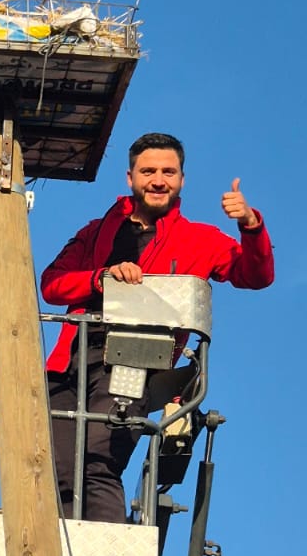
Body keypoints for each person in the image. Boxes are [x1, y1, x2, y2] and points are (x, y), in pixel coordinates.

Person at [41, 132, 274, 524]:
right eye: (148, 171)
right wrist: (102, 277)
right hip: (69, 362)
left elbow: (255, 275)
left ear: (182, 180)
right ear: (130, 177)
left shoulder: (201, 240)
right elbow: (51, 284)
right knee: (56, 470)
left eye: (168, 172)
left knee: (98, 461)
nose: (158, 180)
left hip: (133, 365)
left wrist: (250, 225)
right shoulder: (95, 231)